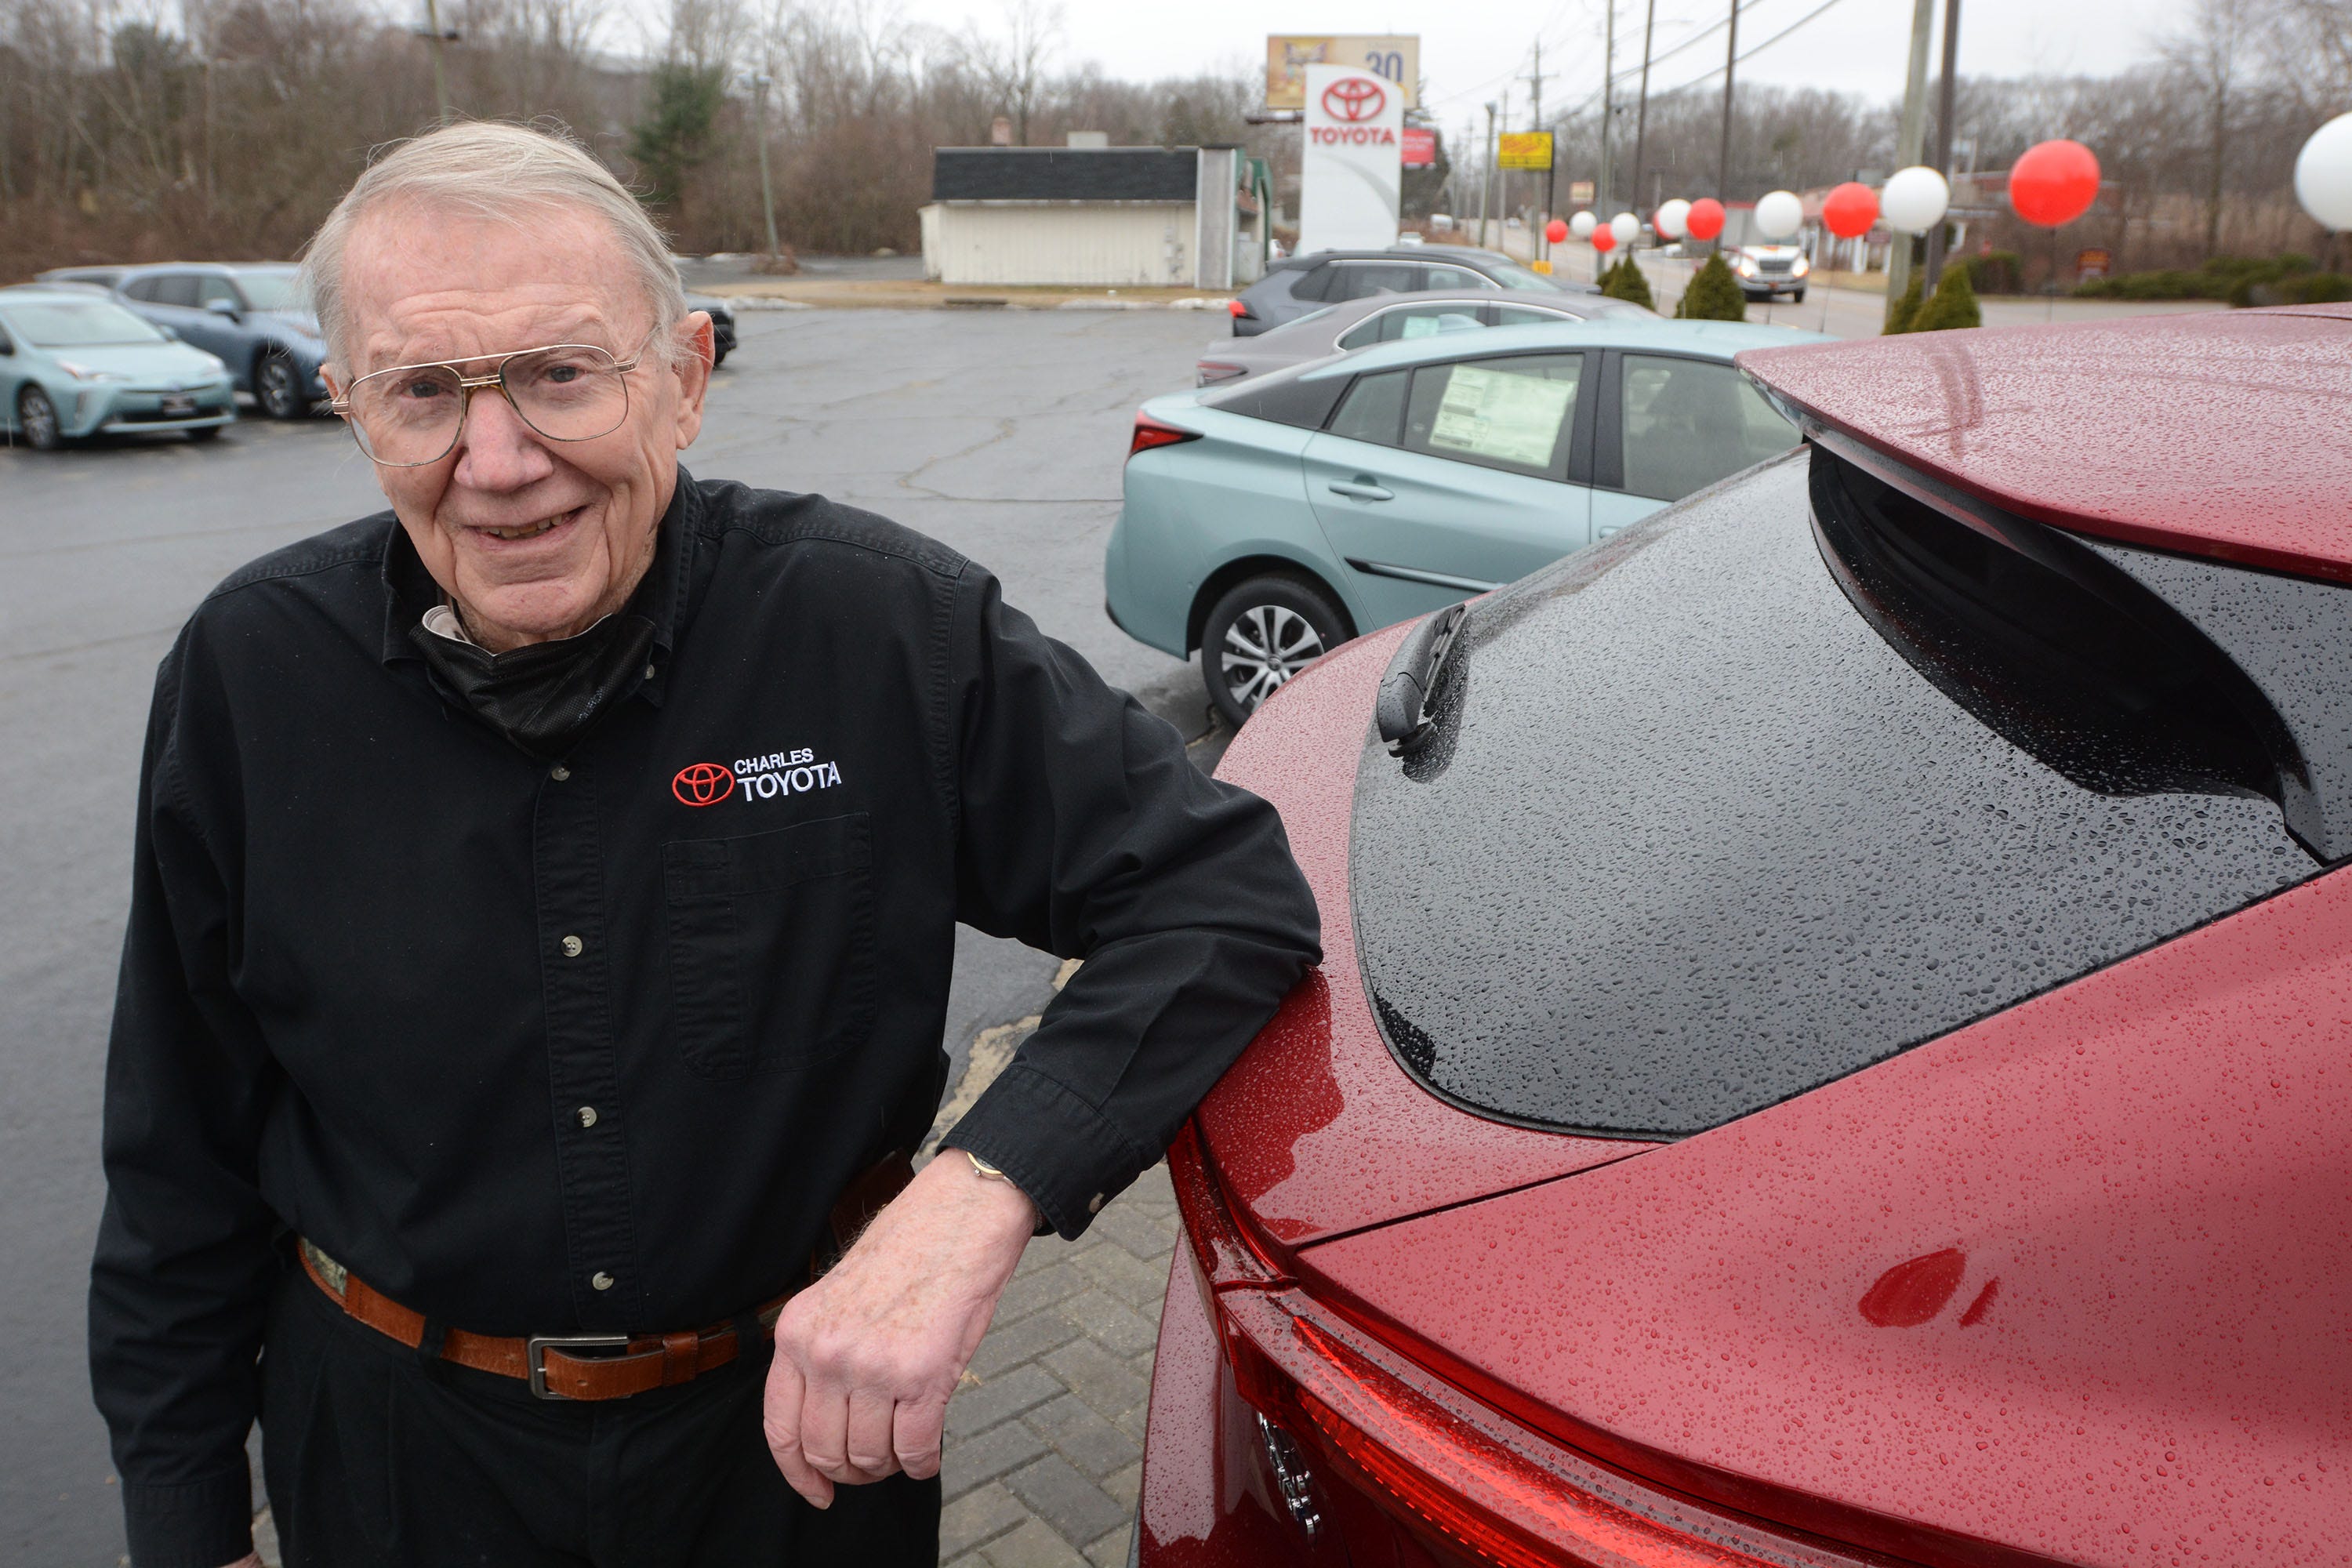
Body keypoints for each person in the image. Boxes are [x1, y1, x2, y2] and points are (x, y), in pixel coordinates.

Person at [88, 121, 1320, 1568]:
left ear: (682, 379)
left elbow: (1222, 895)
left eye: (560, 374)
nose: (498, 461)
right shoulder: (250, 674)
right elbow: (178, 1149)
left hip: (789, 1464)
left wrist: (973, 1198)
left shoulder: (881, 631)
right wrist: (182, 1522)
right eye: (425, 391)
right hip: (392, 1470)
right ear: (354, 408)